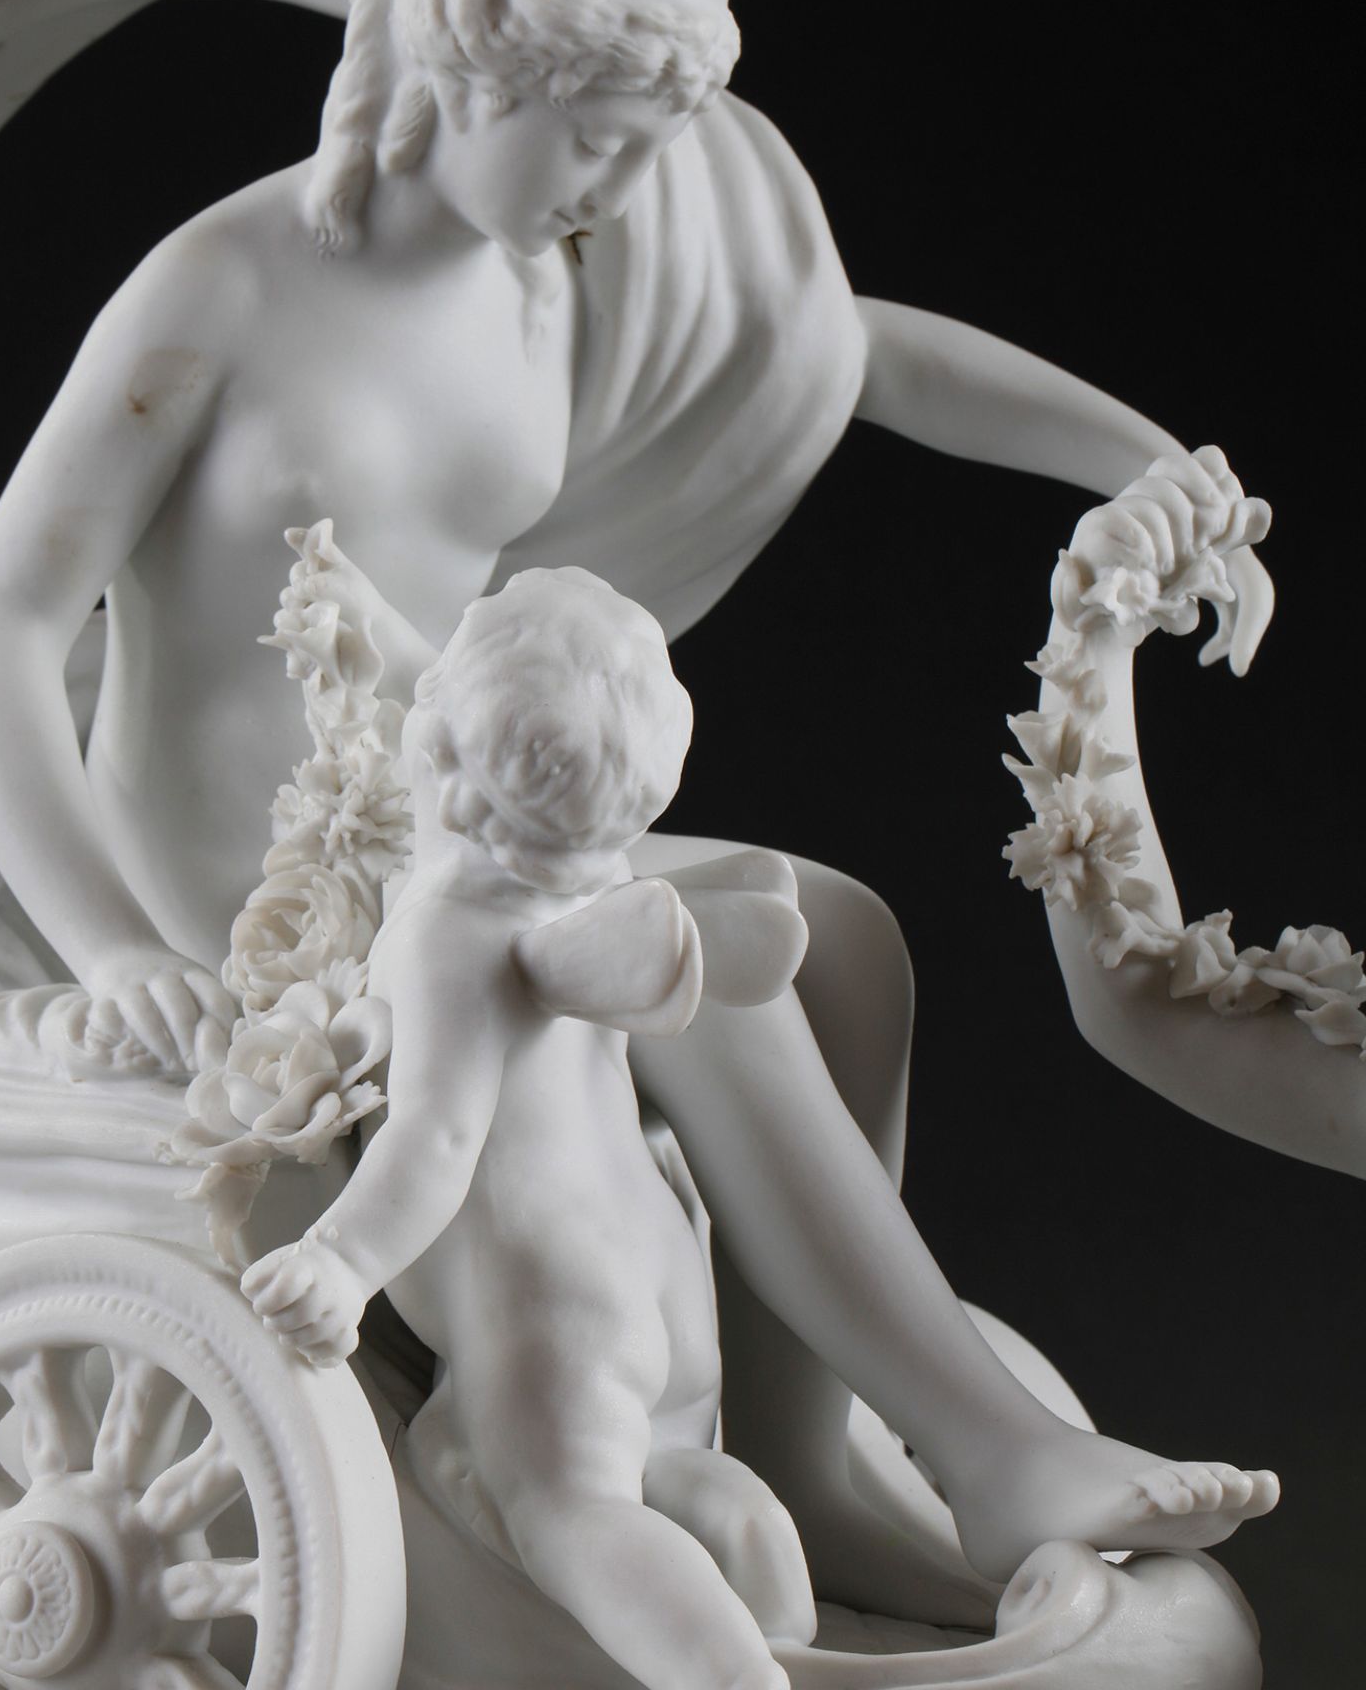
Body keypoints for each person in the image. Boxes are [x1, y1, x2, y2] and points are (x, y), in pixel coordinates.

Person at [0, 0, 1276, 1625]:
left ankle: (809, 1456)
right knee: (710, 971)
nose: (622, 191)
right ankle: (983, 1441)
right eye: (596, 141)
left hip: (466, 829)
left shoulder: (539, 283)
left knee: (839, 942)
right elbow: (0, 632)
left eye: (645, 150)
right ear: (470, 78)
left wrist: (1141, 460)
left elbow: (849, 356)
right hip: (253, 880)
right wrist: (107, 943)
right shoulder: (221, 289)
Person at [242, 566, 1272, 1690]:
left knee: (573, 1511)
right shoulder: (591, 891)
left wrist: (342, 1261)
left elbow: (437, 1142)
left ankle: (734, 1678)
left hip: (551, 1318)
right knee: (708, 1494)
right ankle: (779, 1598)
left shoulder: (444, 935)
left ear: (436, 751)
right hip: (663, 1290)